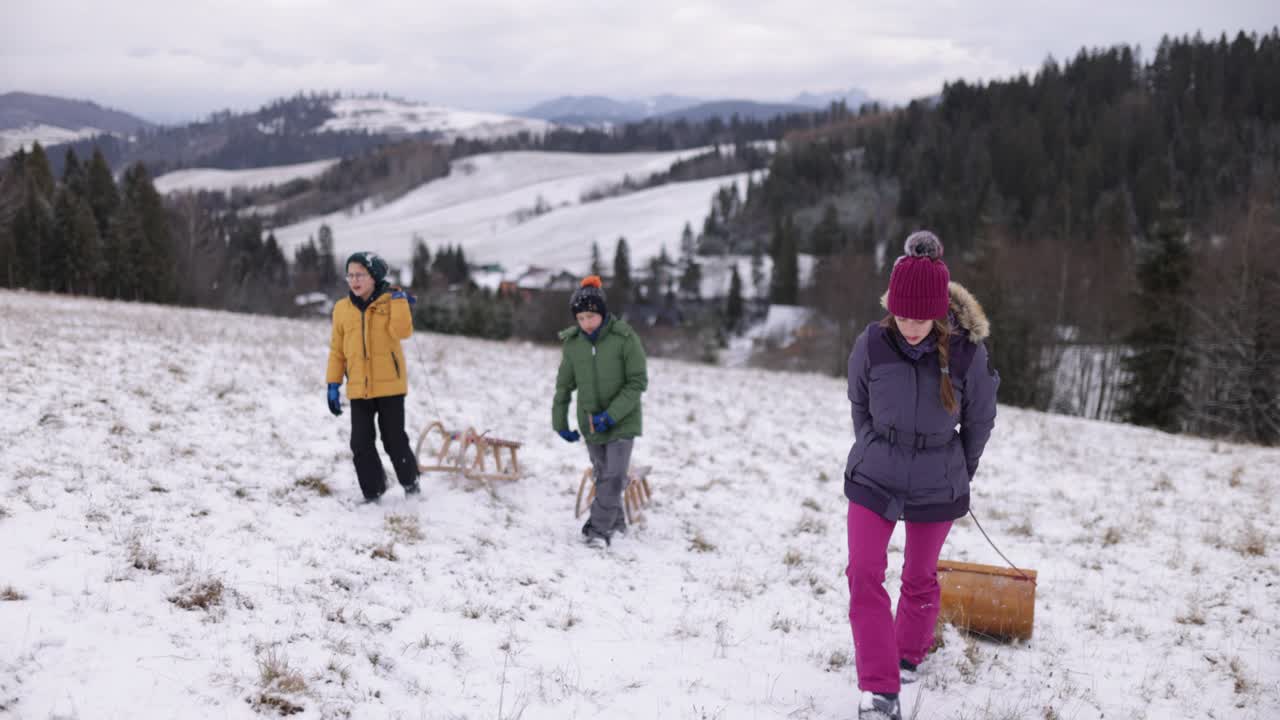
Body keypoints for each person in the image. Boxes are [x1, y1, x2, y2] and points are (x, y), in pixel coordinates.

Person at [843, 231, 999, 720]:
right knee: (864, 573)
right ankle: (879, 690)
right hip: (875, 475)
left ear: (937, 311)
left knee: (919, 576)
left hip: (937, 475)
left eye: (921, 316)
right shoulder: (872, 343)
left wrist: (960, 469)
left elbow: (979, 419)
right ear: (891, 307)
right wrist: (873, 445)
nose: (911, 326)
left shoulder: (967, 355)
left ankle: (909, 652)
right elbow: (859, 402)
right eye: (903, 315)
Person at [552, 275, 648, 547]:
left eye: (590, 317)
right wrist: (559, 422)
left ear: (603, 314)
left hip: (623, 420)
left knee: (615, 474)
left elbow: (637, 382)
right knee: (604, 474)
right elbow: (563, 387)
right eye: (580, 318)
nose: (585, 324)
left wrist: (612, 415)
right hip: (591, 422)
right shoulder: (573, 344)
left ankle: (596, 530)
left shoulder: (625, 338)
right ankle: (616, 524)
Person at [326, 251, 420, 503]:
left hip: (390, 387)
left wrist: (400, 302)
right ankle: (374, 492)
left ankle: (411, 484)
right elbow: (337, 350)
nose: (354, 280)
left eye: (360, 275)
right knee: (360, 444)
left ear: (374, 277)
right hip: (359, 387)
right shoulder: (342, 309)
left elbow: (403, 332)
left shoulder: (390, 302)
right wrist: (333, 383)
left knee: (394, 440)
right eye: (350, 275)